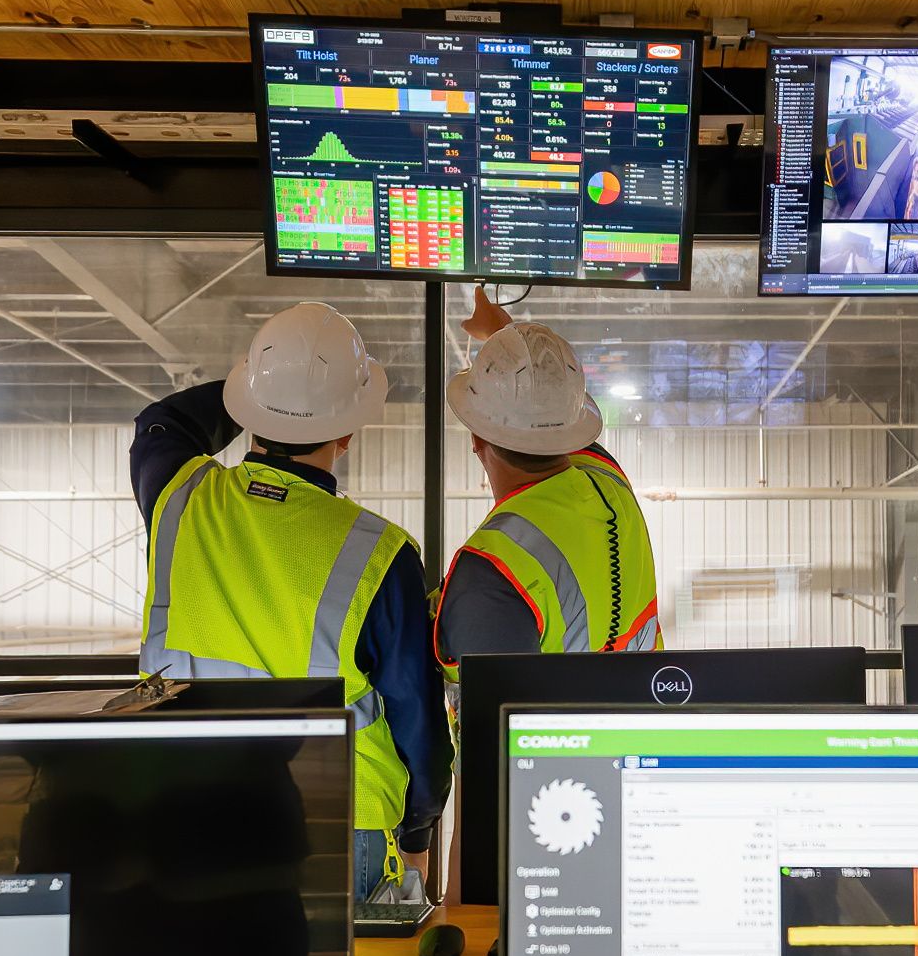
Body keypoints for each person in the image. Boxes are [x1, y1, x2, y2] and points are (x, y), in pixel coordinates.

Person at [130, 302, 449, 900]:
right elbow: (418, 717)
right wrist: (418, 832)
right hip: (334, 821)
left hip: (182, 806)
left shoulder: (180, 496)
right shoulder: (381, 553)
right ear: (348, 433)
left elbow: (163, 421)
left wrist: (254, 389)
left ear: (245, 412)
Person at [435, 290, 662, 674]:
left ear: (475, 438)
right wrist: (504, 338)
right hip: (639, 724)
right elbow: (547, 412)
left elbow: (499, 725)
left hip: (563, 736)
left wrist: (502, 340)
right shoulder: (608, 478)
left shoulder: (491, 571)